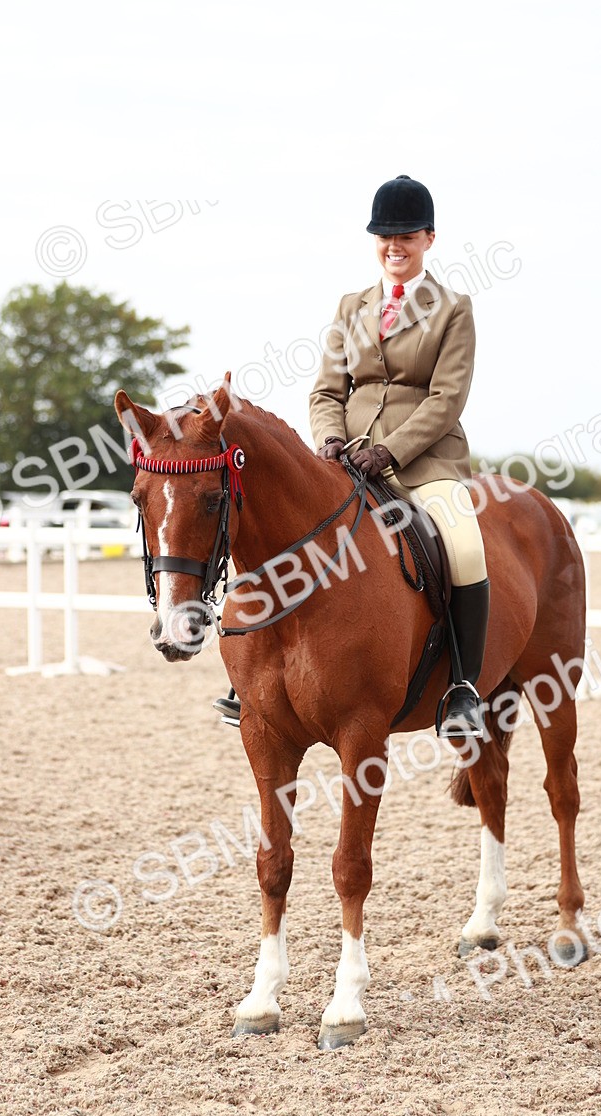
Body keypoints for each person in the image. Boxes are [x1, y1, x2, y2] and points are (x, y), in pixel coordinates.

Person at [214, 174, 489, 738]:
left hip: (423, 462)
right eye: (386, 235)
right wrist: (330, 441)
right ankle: (253, 679)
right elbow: (325, 391)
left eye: (407, 236)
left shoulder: (454, 309)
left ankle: (462, 685)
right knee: (284, 534)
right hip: (347, 459)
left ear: (429, 240)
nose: (395, 245)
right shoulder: (351, 306)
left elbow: (447, 397)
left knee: (465, 545)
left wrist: (390, 450)